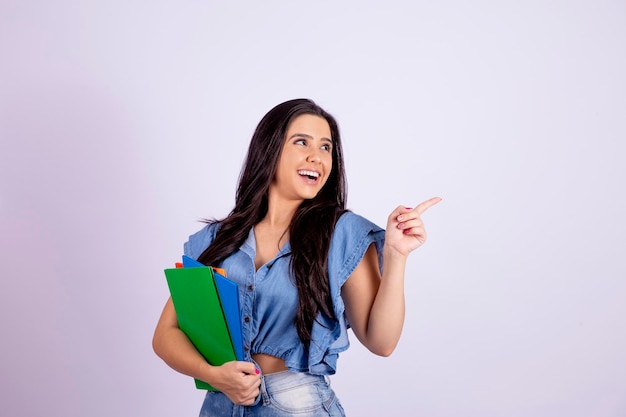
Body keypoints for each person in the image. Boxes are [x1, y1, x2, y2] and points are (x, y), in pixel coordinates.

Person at [153, 98, 441, 416]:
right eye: (301, 142)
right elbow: (166, 334)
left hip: (296, 406)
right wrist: (215, 376)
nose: (315, 157)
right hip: (221, 405)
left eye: (326, 147)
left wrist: (397, 255)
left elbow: (381, 342)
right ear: (270, 150)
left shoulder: (342, 233)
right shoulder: (219, 238)